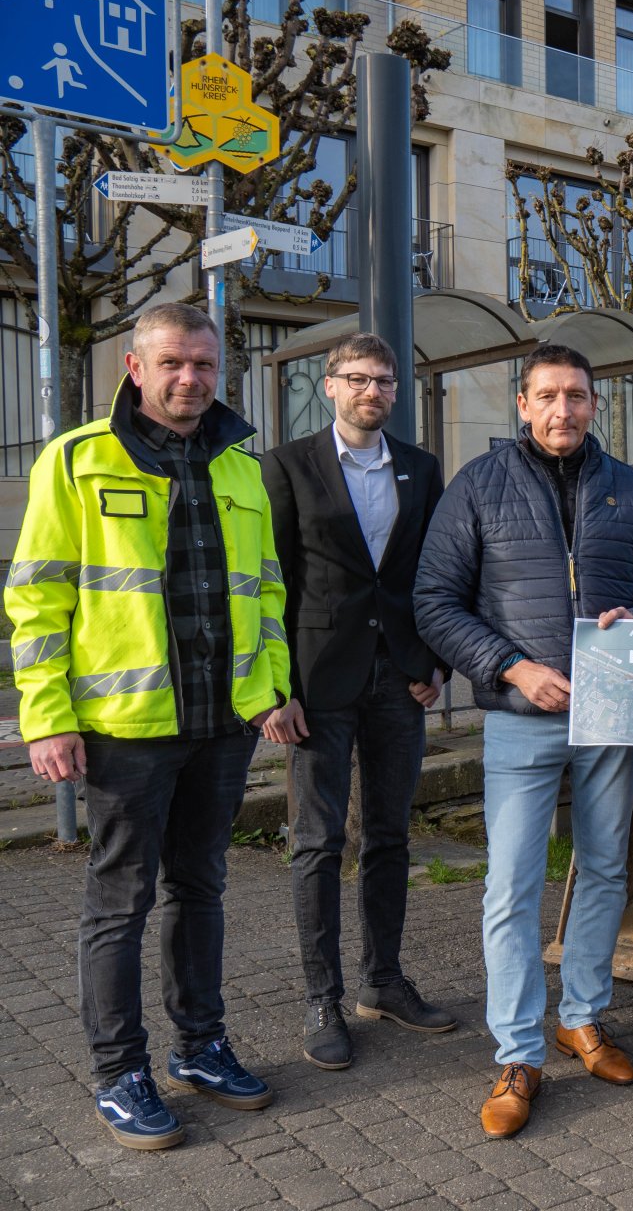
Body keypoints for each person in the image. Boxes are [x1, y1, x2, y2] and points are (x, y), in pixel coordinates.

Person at [6, 302, 289, 1150]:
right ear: (135, 368)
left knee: (201, 890)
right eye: (171, 363)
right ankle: (119, 1069)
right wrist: (45, 718)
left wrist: (267, 692)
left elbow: (266, 593)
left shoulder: (242, 467)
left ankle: (199, 1046)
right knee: (119, 901)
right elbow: (36, 598)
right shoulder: (79, 462)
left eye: (203, 365)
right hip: (124, 731)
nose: (189, 379)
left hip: (220, 726)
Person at [413, 344, 633, 1139]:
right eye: (547, 397)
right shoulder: (478, 486)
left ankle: (584, 1016)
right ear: (522, 404)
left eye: (577, 395)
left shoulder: (627, 489)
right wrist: (511, 667)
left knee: (603, 868)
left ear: (595, 404)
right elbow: (435, 600)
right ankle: (519, 1051)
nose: (563, 410)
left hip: (610, 714)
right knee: (512, 887)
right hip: (521, 718)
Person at [261, 332, 455, 1072]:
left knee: (390, 836)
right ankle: (322, 998)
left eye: (384, 380)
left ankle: (384, 981)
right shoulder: (287, 466)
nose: (372, 391)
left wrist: (431, 660)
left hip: (399, 680)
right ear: (330, 385)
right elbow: (269, 580)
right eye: (358, 379)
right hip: (317, 683)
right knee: (315, 843)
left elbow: (434, 574)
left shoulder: (421, 467)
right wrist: (275, 690)